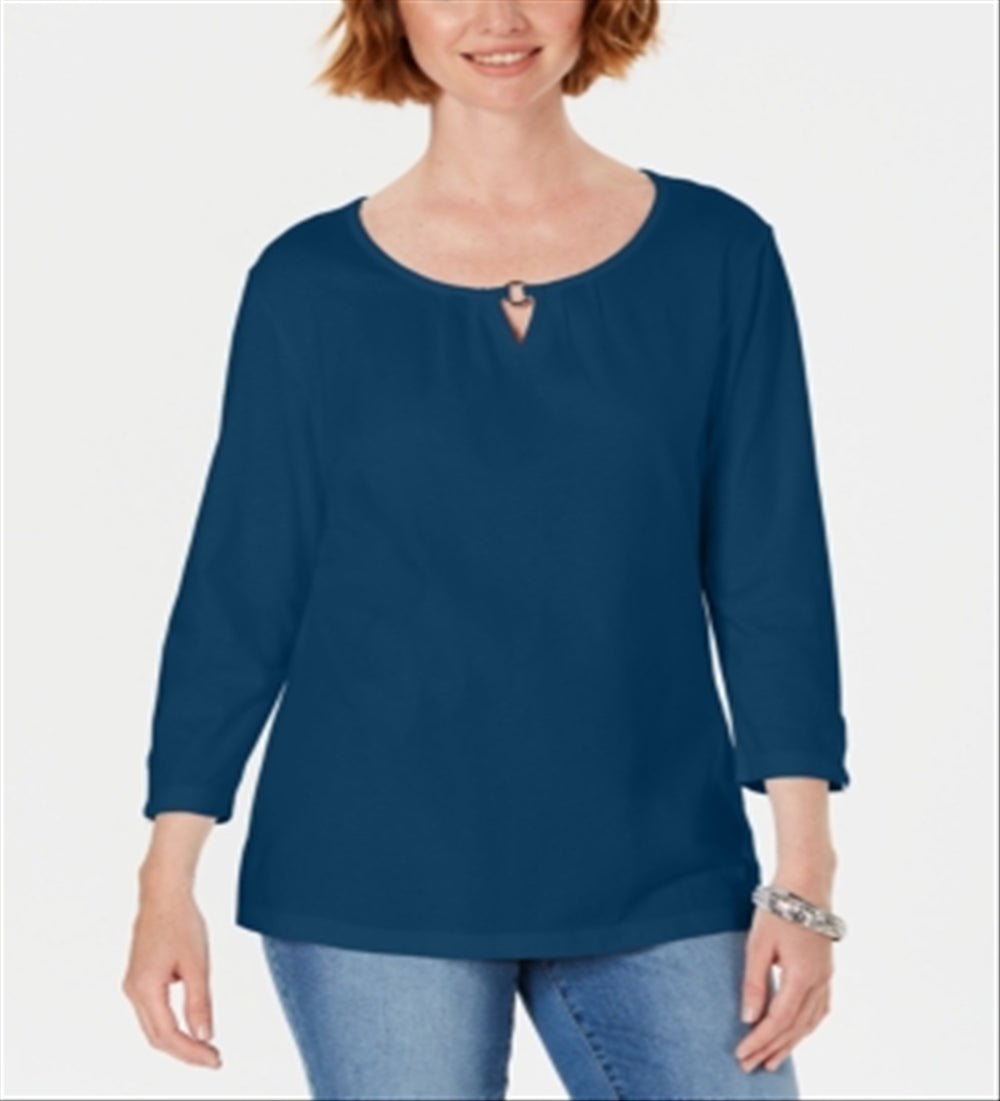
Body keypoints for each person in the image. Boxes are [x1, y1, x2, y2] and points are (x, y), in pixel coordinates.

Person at [122, 1, 852, 1098]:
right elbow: (243, 584)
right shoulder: (308, 283)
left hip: (660, 860)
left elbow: (770, 569)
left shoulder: (716, 253)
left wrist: (803, 870)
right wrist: (166, 875)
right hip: (371, 867)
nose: (498, 18)